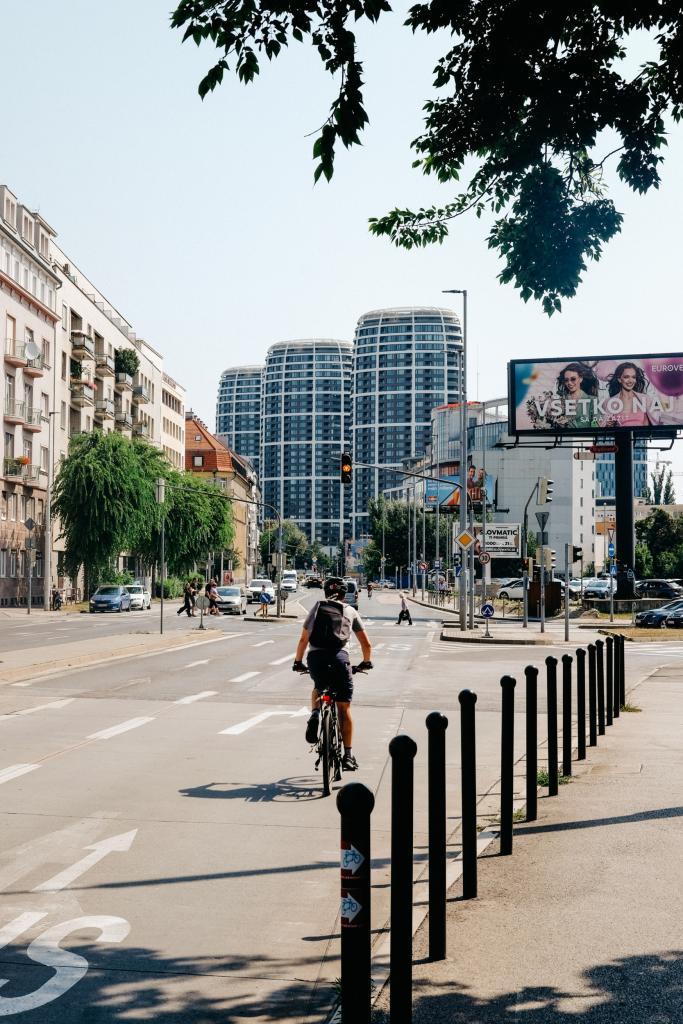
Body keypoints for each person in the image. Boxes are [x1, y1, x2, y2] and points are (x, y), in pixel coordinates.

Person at [292, 577, 373, 771]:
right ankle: (348, 755)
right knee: (344, 709)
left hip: (316, 659)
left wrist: (298, 662)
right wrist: (366, 662)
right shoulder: (350, 611)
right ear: (345, 595)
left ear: (325, 593)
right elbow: (366, 644)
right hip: (339, 659)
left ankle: (315, 714)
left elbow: (304, 639)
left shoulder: (317, 608)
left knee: (318, 687)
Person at [603, 361, 654, 428]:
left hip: (639, 437)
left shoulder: (645, 399)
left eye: (633, 377)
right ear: (619, 379)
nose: (630, 381)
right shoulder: (610, 402)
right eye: (626, 377)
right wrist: (609, 425)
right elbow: (605, 427)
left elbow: (647, 427)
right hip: (621, 437)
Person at [555, 361, 600, 429]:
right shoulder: (560, 401)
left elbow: (596, 426)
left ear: (581, 378)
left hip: (586, 438)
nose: (569, 383)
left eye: (573, 379)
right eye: (566, 380)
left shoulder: (593, 400)